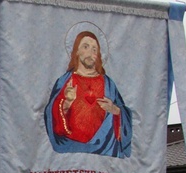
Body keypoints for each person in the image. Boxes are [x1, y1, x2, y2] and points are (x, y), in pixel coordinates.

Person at [44, 30, 132, 158]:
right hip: (71, 153)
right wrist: (67, 102)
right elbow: (50, 116)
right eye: (86, 47)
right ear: (77, 51)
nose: (91, 53)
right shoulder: (65, 81)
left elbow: (125, 115)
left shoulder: (108, 84)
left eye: (95, 49)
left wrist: (115, 110)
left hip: (106, 151)